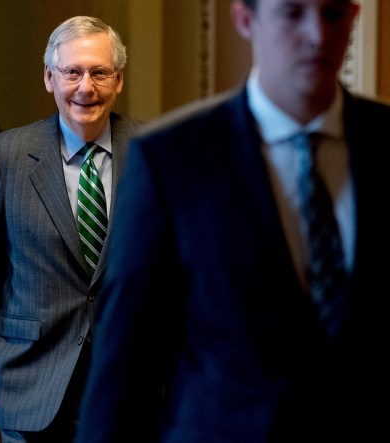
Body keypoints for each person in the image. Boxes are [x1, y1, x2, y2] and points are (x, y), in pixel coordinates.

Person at [75, 1, 390, 442]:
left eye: (333, 13)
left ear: (354, 16)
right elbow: (127, 361)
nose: (318, 35)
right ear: (244, 18)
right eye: (293, 13)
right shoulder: (172, 157)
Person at [0, 16, 142, 442]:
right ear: (49, 78)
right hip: (30, 374)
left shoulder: (153, 153)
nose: (85, 87)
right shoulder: (7, 155)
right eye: (72, 72)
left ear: (119, 80)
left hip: (128, 380)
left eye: (99, 72)